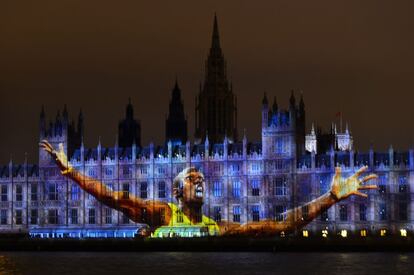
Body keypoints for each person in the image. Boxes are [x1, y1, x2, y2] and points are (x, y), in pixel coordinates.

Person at [40, 140, 378, 237]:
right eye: (190, 177)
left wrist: (331, 197)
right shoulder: (161, 214)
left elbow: (282, 224)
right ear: (175, 191)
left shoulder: (218, 229)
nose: (199, 180)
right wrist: (71, 172)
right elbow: (111, 197)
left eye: (202, 177)